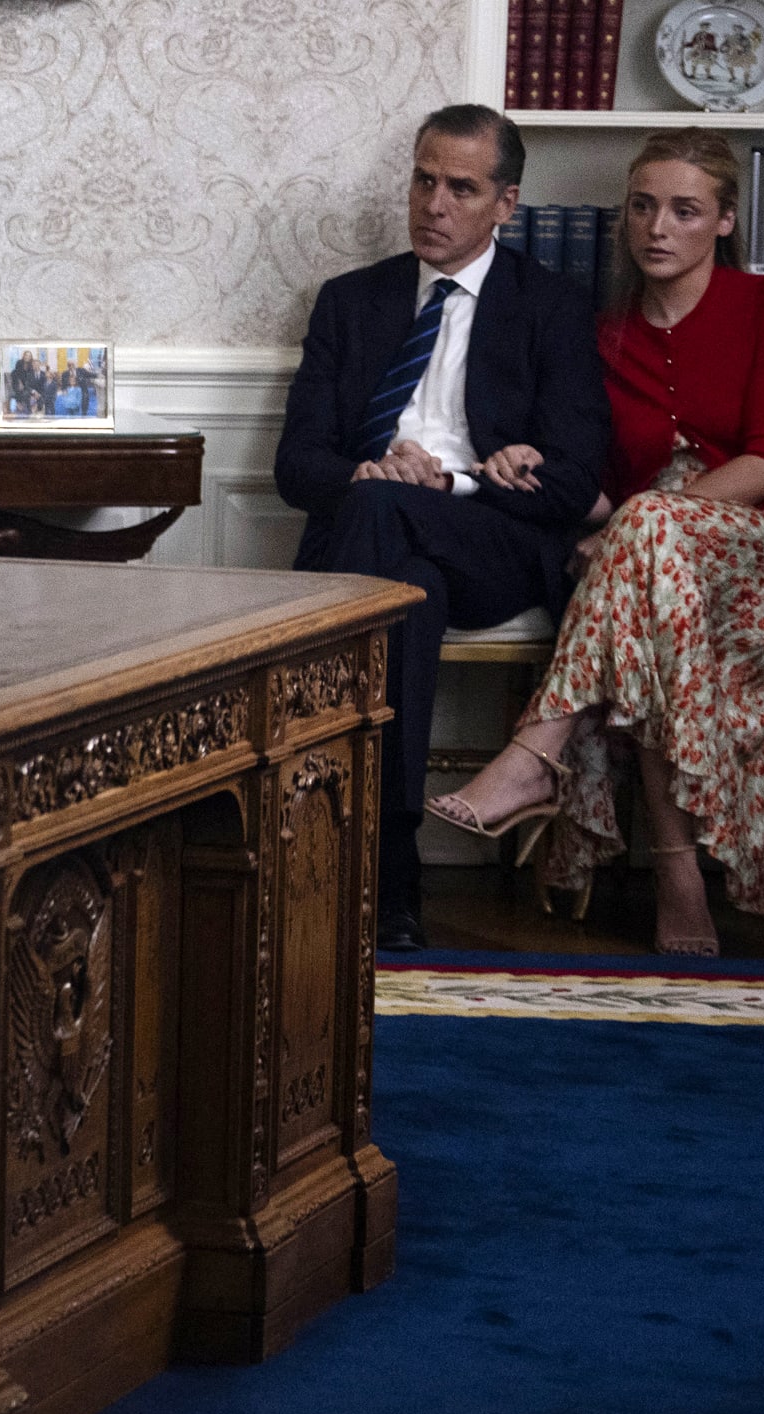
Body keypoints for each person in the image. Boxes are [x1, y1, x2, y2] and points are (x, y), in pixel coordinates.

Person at [425, 129, 764, 955]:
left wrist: (632, 523)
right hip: (657, 569)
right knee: (657, 598)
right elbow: (595, 479)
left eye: (684, 210)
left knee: (648, 530)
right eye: (642, 206)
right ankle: (679, 874)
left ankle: (537, 749)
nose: (657, 227)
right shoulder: (602, 334)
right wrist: (527, 460)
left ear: (723, 220)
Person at [275, 104, 611, 952]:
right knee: (408, 594)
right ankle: (392, 872)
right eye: (424, 179)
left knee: (387, 519)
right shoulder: (352, 303)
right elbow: (296, 465)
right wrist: (369, 469)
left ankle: (331, 850)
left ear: (506, 203)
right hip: (386, 537)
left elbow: (573, 480)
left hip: (492, 542)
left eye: (461, 188)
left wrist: (459, 476)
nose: (434, 203)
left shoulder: (554, 306)